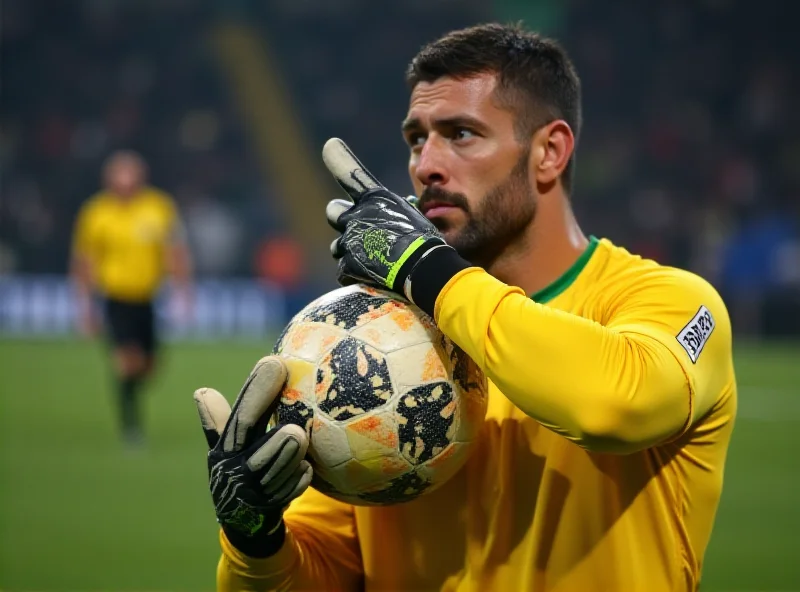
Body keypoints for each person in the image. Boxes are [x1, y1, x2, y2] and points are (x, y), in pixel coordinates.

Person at [193, 23, 736, 591]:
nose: (426, 164)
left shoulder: (672, 302)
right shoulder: (379, 337)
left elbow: (615, 405)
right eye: (416, 139)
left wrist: (428, 273)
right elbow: (320, 574)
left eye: (461, 134)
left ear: (548, 152)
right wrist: (257, 544)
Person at [72, 150, 193, 447]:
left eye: (130, 175)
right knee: (127, 362)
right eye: (119, 175)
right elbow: (85, 261)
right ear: (109, 179)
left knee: (148, 367)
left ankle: (132, 393)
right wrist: (85, 307)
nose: (125, 181)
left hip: (147, 299)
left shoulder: (158, 207)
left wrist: (183, 291)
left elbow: (174, 252)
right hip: (115, 299)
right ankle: (132, 428)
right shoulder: (96, 212)